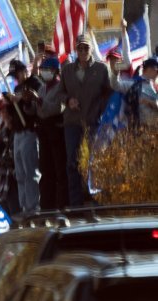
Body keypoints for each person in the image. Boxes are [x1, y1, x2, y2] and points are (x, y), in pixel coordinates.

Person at [59, 34, 113, 207]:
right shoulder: (67, 70)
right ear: (76, 50)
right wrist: (68, 100)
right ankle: (76, 203)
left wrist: (100, 110)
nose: (82, 51)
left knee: (94, 162)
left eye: (86, 48)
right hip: (72, 123)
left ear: (90, 49)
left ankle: (95, 200)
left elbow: (109, 93)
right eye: (79, 48)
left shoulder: (101, 69)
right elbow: (59, 93)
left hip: (93, 122)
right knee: (71, 163)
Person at [6, 60, 42, 215]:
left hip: (29, 131)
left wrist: (21, 98)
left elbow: (37, 101)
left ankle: (33, 206)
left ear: (23, 71)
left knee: (30, 171)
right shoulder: (16, 88)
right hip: (18, 133)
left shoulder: (34, 82)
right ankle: (24, 206)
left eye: (17, 74)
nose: (16, 78)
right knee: (20, 173)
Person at [34, 56, 69, 210]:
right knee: (45, 169)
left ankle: (62, 205)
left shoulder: (61, 86)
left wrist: (41, 101)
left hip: (56, 129)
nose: (44, 73)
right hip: (44, 131)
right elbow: (38, 111)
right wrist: (31, 102)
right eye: (43, 70)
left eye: (47, 70)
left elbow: (58, 107)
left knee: (59, 169)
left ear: (55, 71)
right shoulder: (42, 88)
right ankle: (46, 206)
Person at [110, 54, 158, 128]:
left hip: (154, 129)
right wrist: (115, 73)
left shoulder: (155, 86)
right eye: (156, 70)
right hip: (138, 128)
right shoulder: (133, 83)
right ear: (149, 69)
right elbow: (115, 86)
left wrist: (150, 103)